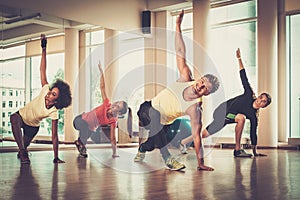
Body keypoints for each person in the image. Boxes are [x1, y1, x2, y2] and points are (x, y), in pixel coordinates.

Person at [134, 10, 220, 171]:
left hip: (163, 124)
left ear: (206, 94)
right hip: (147, 109)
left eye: (204, 89)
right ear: (199, 78)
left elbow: (196, 137)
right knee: (155, 114)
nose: (199, 87)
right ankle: (168, 159)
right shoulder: (186, 77)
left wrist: (200, 163)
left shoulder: (195, 110)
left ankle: (141, 149)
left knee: (152, 144)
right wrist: (178, 25)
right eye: (201, 82)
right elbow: (180, 52)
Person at [10, 34, 72, 164]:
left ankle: (22, 151)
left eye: (53, 95)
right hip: (21, 117)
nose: (49, 94)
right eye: (51, 92)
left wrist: (56, 157)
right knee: (13, 118)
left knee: (24, 147)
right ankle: (22, 152)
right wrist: (44, 48)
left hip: (33, 127)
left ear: (57, 101)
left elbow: (54, 136)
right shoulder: (45, 89)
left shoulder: (53, 112)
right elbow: (42, 70)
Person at [201, 48, 272, 157]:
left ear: (264, 106)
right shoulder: (249, 94)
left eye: (263, 102)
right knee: (241, 118)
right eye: (261, 97)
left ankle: (183, 142)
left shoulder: (254, 116)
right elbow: (244, 77)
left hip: (228, 117)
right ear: (258, 96)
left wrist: (255, 152)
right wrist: (239, 58)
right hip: (221, 111)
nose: (260, 101)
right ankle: (237, 150)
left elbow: (253, 133)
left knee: (203, 134)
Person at [73, 62, 131, 158]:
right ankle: (82, 146)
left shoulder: (113, 121)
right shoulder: (107, 104)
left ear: (119, 112)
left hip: (89, 130)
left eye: (118, 106)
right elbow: (102, 87)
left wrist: (115, 152)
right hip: (79, 120)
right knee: (84, 125)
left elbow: (113, 138)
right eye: (117, 102)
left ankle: (79, 143)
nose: (115, 104)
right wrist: (101, 72)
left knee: (88, 134)